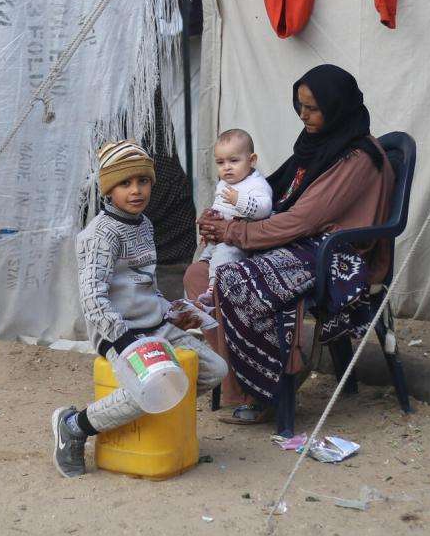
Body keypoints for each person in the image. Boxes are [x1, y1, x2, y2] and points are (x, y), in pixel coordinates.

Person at [186, 65, 394, 425]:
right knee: (197, 273)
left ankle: (272, 389)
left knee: (237, 279)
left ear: (336, 106)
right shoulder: (318, 146)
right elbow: (271, 194)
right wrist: (222, 214)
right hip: (302, 239)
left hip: (332, 252)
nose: (303, 115)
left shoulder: (356, 158)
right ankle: (235, 381)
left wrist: (234, 232)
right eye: (300, 105)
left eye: (312, 108)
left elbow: (303, 220)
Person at [52, 140, 228, 477]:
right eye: (125, 183)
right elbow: (93, 300)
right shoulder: (100, 235)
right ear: (108, 189)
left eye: (143, 181)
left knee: (214, 370)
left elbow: (145, 284)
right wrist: (123, 340)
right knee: (150, 388)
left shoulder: (144, 224)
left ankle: (152, 418)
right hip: (119, 333)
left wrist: (175, 310)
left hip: (155, 325)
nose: (136, 191)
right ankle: (75, 425)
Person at [195, 128, 274, 309]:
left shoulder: (256, 184)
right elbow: (220, 206)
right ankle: (207, 275)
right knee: (205, 255)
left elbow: (264, 208)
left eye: (234, 160)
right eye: (220, 162)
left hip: (240, 241)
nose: (227, 167)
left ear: (252, 160)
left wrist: (240, 200)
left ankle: (213, 290)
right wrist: (211, 218)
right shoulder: (225, 183)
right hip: (221, 237)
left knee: (224, 255)